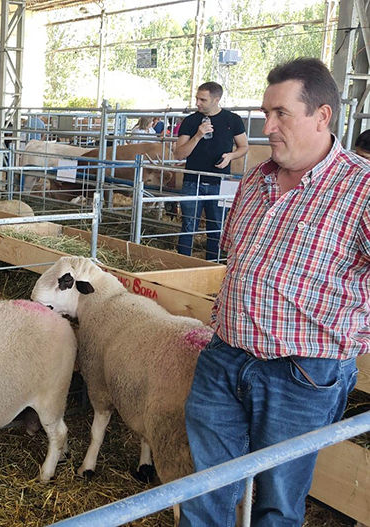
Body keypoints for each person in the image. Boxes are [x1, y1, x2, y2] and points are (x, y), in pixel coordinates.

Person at [179, 58, 370, 526]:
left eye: (281, 114)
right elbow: (236, 261)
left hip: (302, 373)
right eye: (266, 114)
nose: (269, 127)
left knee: (278, 501)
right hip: (225, 356)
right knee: (203, 488)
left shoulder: (362, 189)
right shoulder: (256, 180)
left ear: (322, 116)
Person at [173, 81, 248, 260]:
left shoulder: (233, 120)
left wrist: (231, 156)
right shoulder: (190, 122)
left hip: (221, 182)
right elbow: (179, 154)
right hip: (193, 180)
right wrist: (198, 135)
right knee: (188, 226)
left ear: (216, 100)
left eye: (203, 99)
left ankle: (212, 265)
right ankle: (183, 263)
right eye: (197, 98)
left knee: (216, 228)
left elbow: (244, 147)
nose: (197, 103)